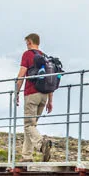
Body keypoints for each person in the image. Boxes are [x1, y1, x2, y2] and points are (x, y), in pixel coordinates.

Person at [15, 33, 54, 161]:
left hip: (31, 94)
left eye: (27, 43)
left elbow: (21, 75)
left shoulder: (27, 55)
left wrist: (16, 92)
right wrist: (50, 101)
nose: (26, 46)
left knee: (28, 125)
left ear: (30, 42)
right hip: (44, 95)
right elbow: (50, 79)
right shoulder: (44, 57)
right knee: (31, 126)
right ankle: (26, 156)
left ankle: (42, 144)